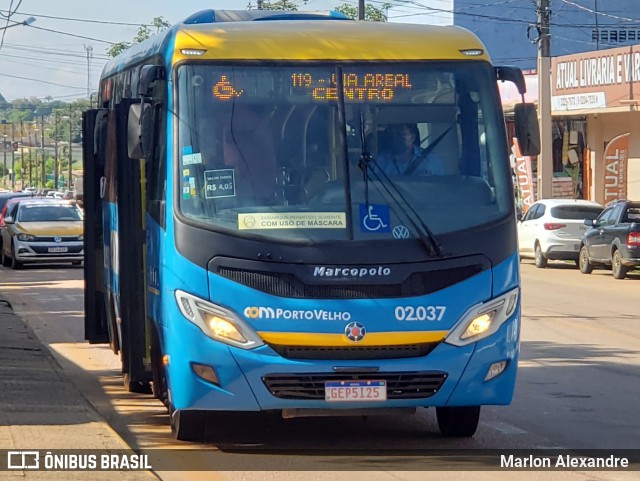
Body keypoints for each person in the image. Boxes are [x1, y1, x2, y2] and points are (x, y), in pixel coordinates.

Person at [374, 123, 446, 176]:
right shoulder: (379, 161)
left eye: (400, 134)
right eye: (392, 134)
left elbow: (442, 186)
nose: (395, 138)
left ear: (413, 137)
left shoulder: (429, 159)